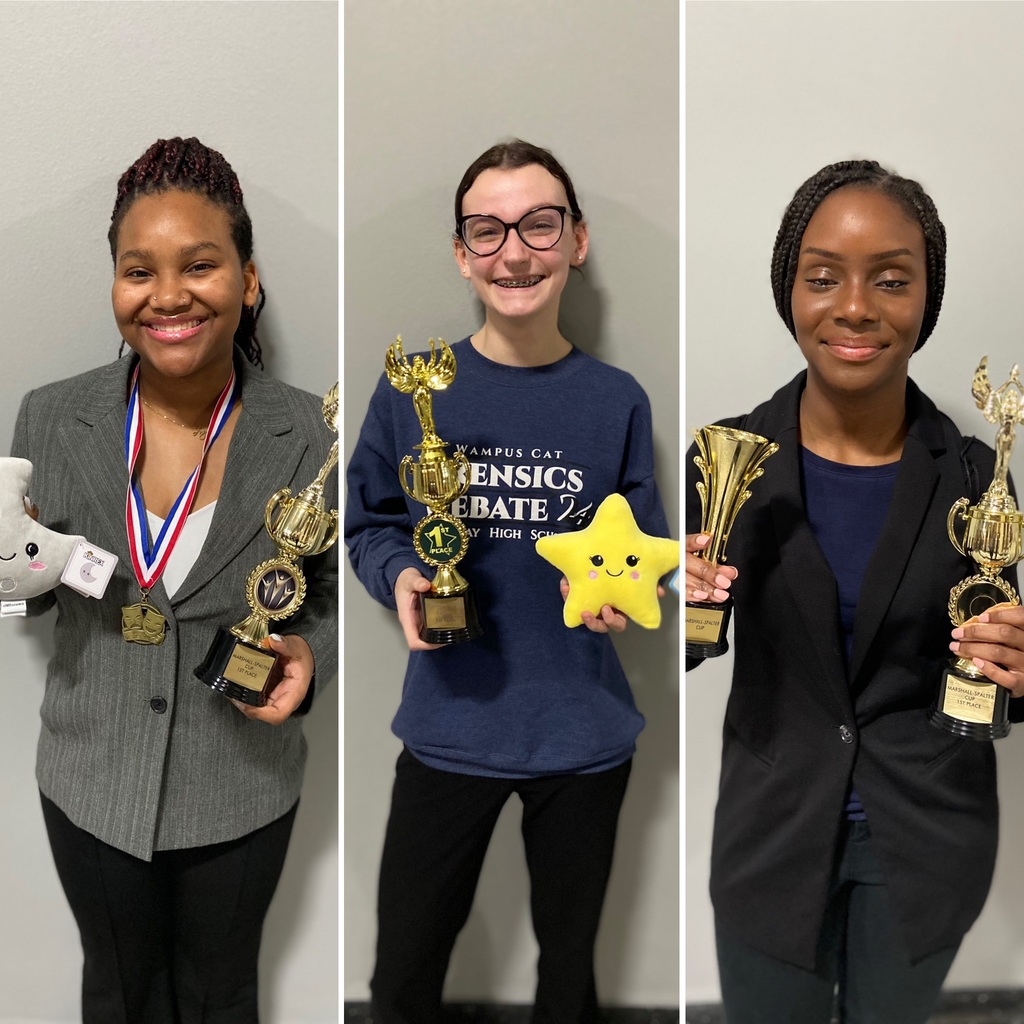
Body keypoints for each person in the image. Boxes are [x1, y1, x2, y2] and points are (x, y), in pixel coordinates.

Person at [685, 159, 1024, 1023]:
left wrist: (1021, 668)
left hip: (925, 843)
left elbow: (994, 678)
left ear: (926, 299)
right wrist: (668, 605)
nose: (856, 307)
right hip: (772, 835)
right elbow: (689, 645)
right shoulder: (726, 460)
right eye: (824, 276)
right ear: (789, 290)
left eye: (892, 280)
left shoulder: (980, 480)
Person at [11, 137, 338, 1024]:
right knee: (116, 992)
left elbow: (329, 591)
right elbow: (28, 593)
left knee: (221, 995)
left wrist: (311, 654)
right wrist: (7, 573)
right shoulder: (50, 414)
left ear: (249, 278)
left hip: (240, 782)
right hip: (89, 775)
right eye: (137, 270)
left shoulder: (312, 434)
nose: (167, 296)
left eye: (200, 264)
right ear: (114, 285)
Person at [345, 139, 672, 1023]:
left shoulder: (618, 401)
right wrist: (403, 574)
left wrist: (633, 598)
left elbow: (647, 549)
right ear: (461, 252)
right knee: (402, 975)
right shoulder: (414, 390)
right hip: (447, 727)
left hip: (582, 736)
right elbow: (367, 520)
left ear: (577, 241)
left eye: (539, 224)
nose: (514, 251)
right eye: (487, 230)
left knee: (569, 978)